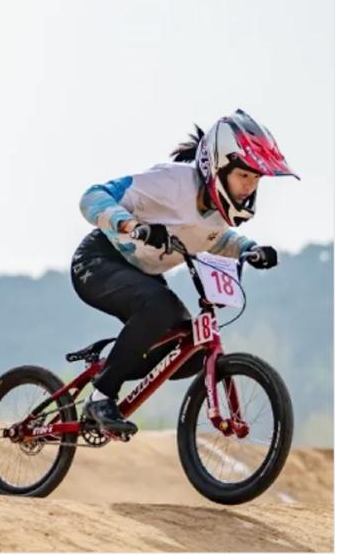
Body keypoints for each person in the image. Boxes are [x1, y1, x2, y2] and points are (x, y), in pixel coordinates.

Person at [72, 109, 299, 435]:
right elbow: (92, 197)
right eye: (244, 176)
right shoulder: (171, 182)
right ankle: (101, 397)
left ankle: (106, 367)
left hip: (143, 275)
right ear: (217, 167)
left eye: (256, 179)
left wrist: (249, 249)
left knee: (189, 350)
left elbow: (217, 238)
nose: (250, 187)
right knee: (159, 306)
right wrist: (132, 225)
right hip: (97, 262)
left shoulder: (218, 214)